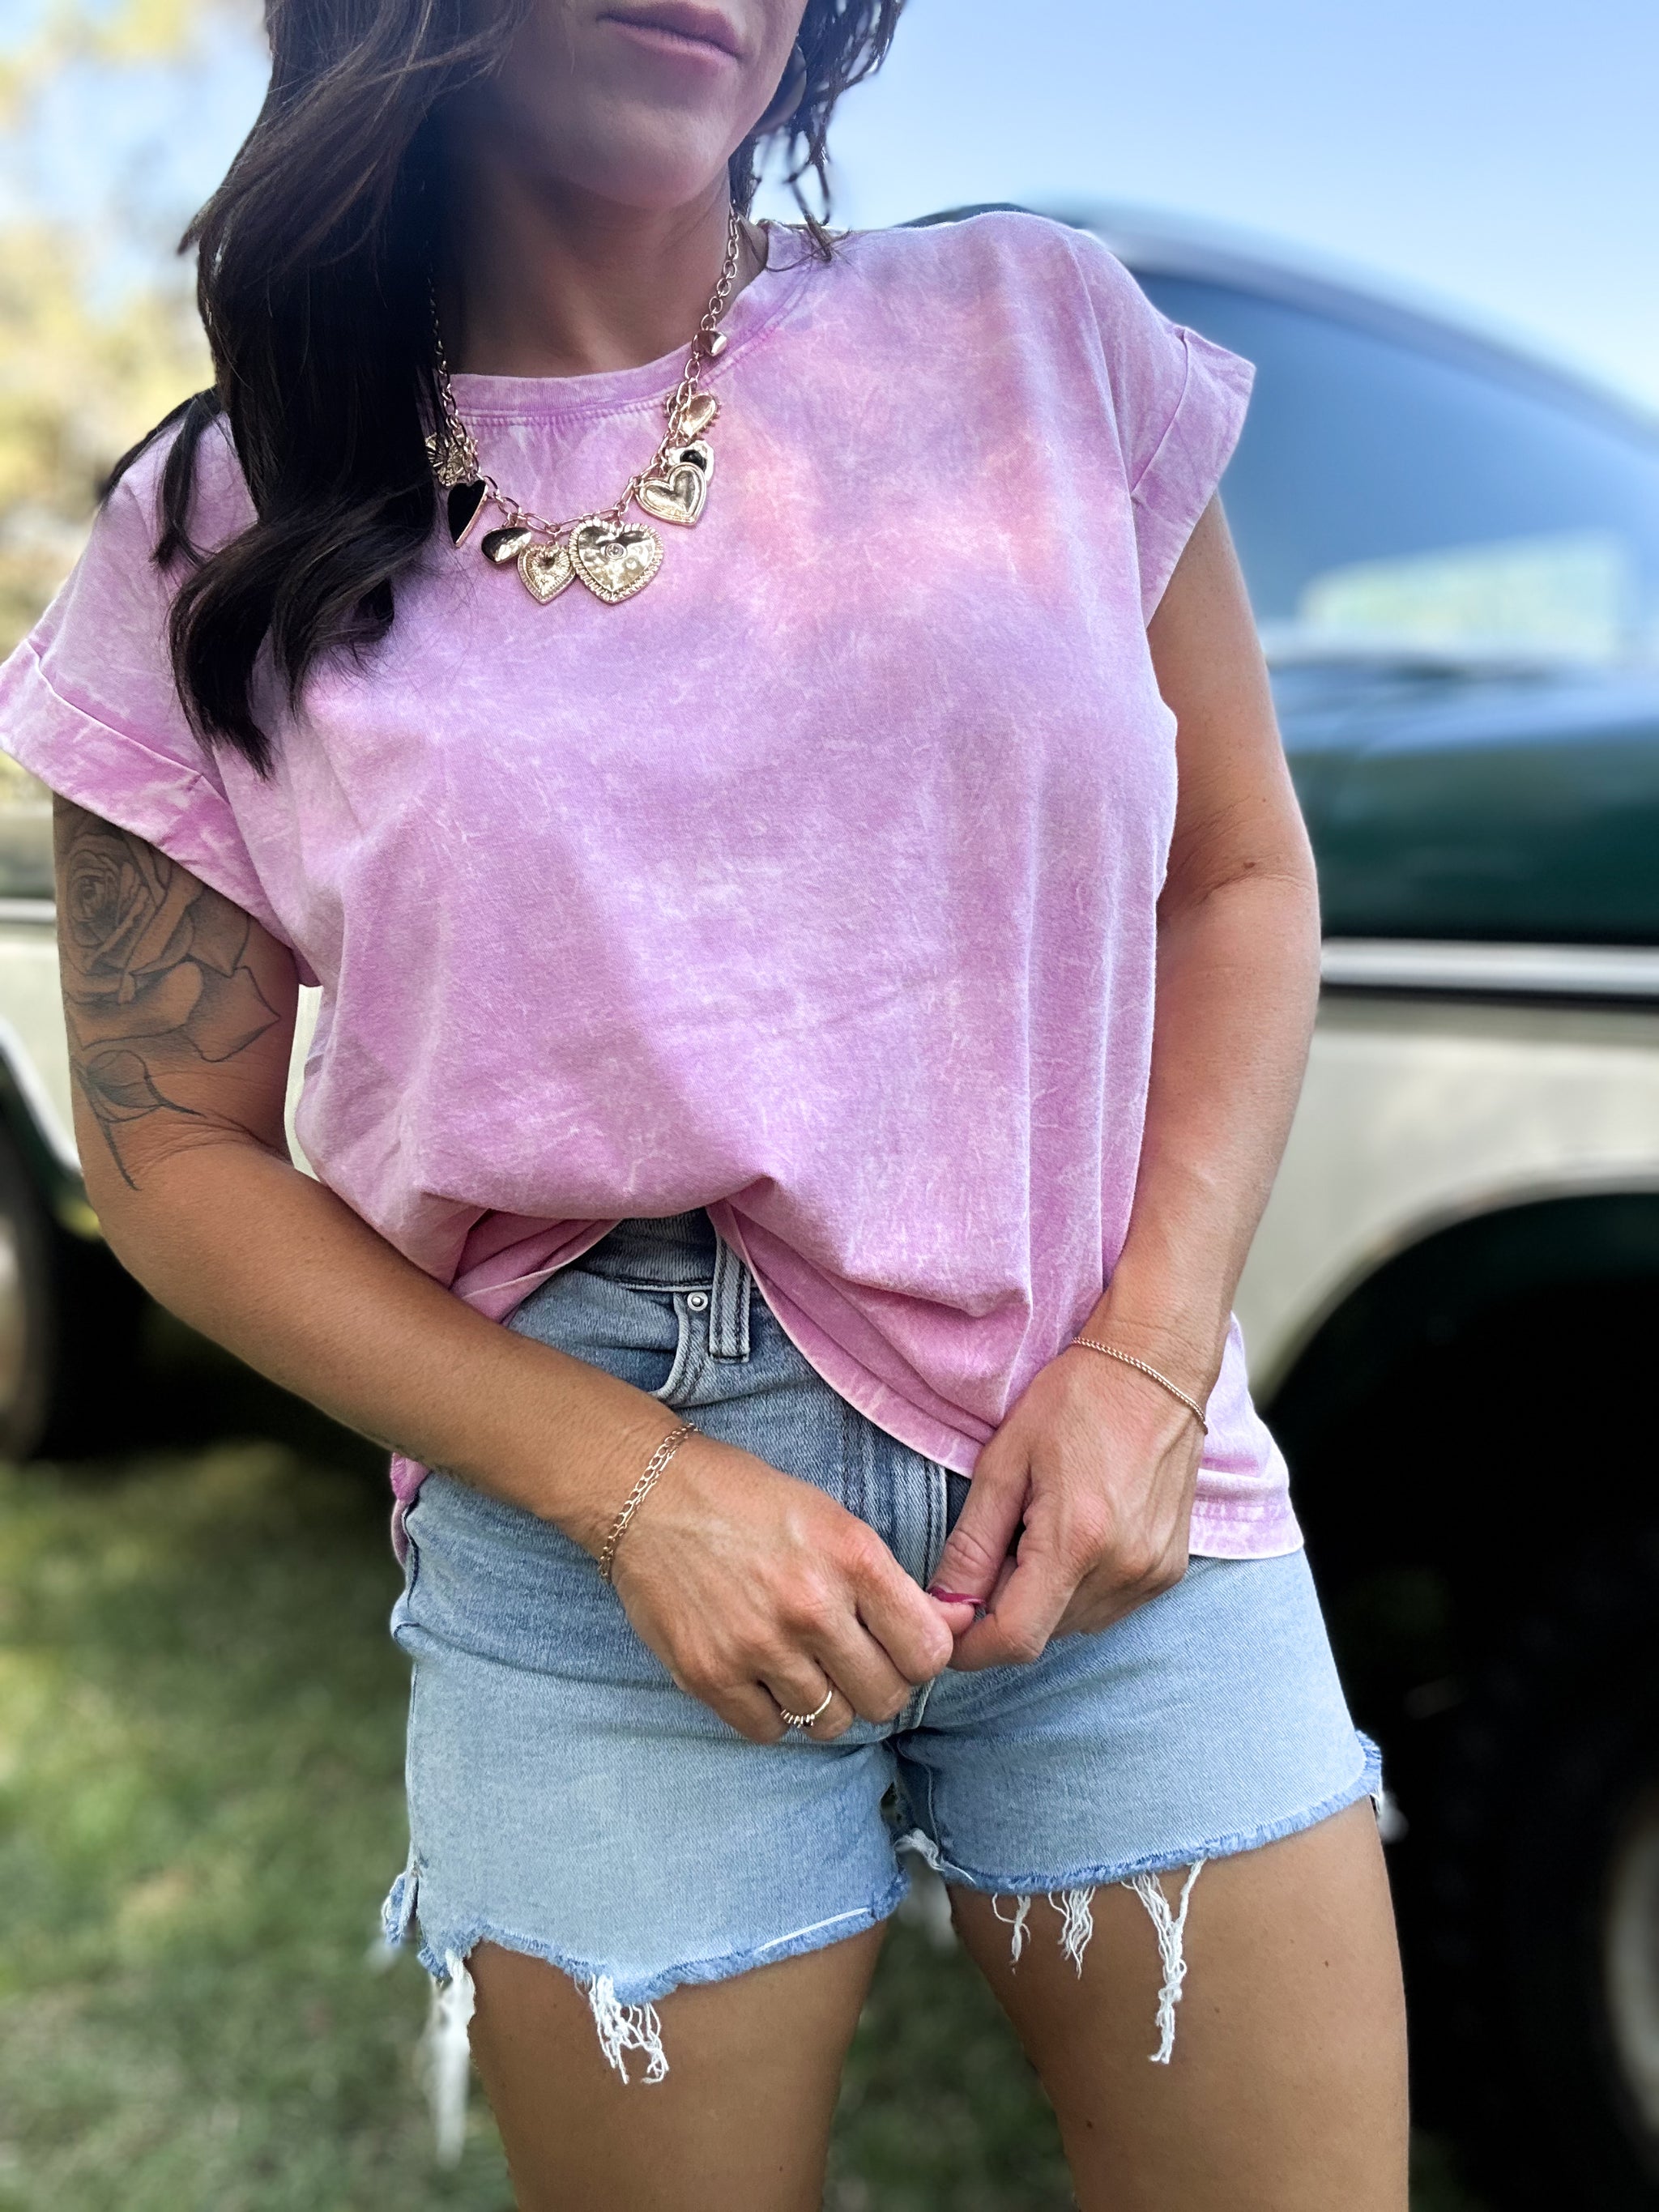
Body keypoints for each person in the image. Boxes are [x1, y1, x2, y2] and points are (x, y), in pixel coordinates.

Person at [1, 0, 1410, 2202]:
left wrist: (1151, 1356)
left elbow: (1234, 874)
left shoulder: (1041, 334)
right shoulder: (211, 526)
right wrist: (636, 1491)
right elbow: (167, 1141)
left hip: (1113, 1477)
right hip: (588, 1531)